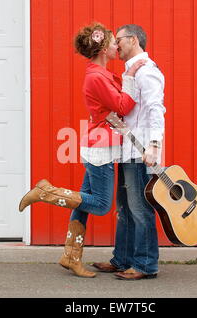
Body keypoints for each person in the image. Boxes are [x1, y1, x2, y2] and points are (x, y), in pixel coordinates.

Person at [18, 22, 145, 278]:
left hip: (99, 145)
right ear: (101, 49)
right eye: (111, 42)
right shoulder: (96, 77)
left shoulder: (100, 74)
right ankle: (46, 192)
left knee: (83, 204)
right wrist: (130, 78)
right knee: (99, 205)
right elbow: (122, 106)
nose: (115, 45)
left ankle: (71, 256)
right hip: (101, 148)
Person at [92, 24, 166, 280]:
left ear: (133, 40)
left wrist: (155, 145)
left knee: (140, 209)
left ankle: (146, 265)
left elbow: (156, 109)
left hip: (142, 153)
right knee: (124, 210)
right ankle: (122, 260)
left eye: (119, 40)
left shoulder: (147, 71)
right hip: (128, 151)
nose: (116, 45)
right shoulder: (130, 73)